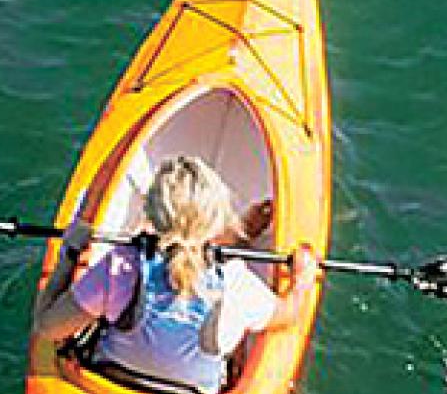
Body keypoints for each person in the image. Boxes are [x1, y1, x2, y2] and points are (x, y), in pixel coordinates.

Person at [30, 156, 321, 394]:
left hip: (110, 382)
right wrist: (302, 279)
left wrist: (69, 255)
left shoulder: (121, 267)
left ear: (151, 213)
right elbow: (289, 314)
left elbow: (48, 326)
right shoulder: (235, 283)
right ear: (217, 219)